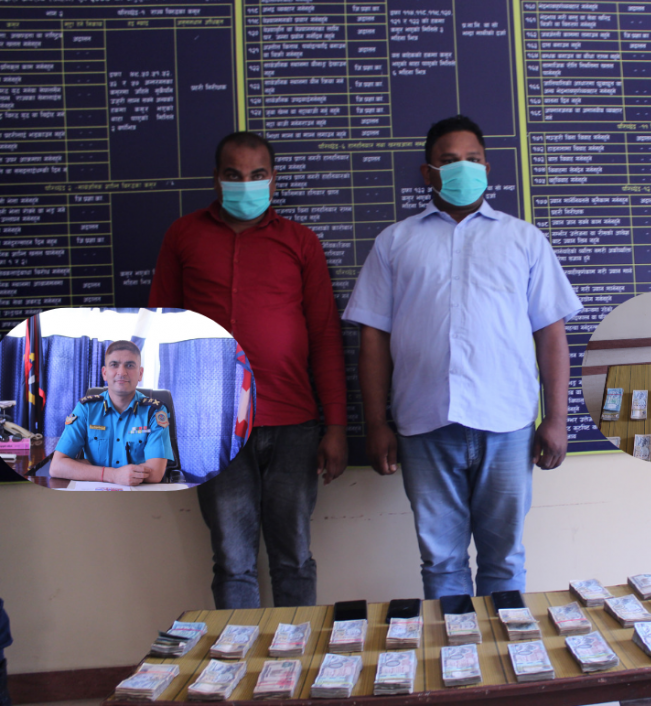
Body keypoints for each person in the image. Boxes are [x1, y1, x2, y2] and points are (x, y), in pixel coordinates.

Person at [344, 115, 582, 599]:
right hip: (424, 425)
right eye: (449, 161)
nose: (463, 169)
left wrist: (557, 418)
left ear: (487, 169)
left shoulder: (524, 239)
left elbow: (551, 335)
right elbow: (373, 340)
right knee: (441, 563)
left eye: (473, 160)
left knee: (505, 559)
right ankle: (456, 649)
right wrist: (376, 423)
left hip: (507, 426)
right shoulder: (395, 242)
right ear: (428, 172)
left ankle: (505, 647)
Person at [148, 131, 347, 608]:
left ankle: (297, 652)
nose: (246, 184)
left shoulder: (300, 242)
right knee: (233, 561)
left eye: (257, 175)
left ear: (273, 180)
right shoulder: (183, 235)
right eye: (234, 175)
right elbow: (159, 330)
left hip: (294, 423)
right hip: (211, 426)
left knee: (293, 558)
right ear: (216, 179)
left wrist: (337, 427)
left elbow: (324, 337)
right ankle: (240, 657)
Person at [50, 340, 172, 485]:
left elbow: (155, 473)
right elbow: (57, 466)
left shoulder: (154, 412)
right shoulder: (86, 409)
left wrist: (86, 469)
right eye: (114, 365)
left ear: (140, 374)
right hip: (95, 493)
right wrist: (113, 475)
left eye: (129, 365)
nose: (122, 372)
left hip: (138, 492)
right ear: (104, 373)